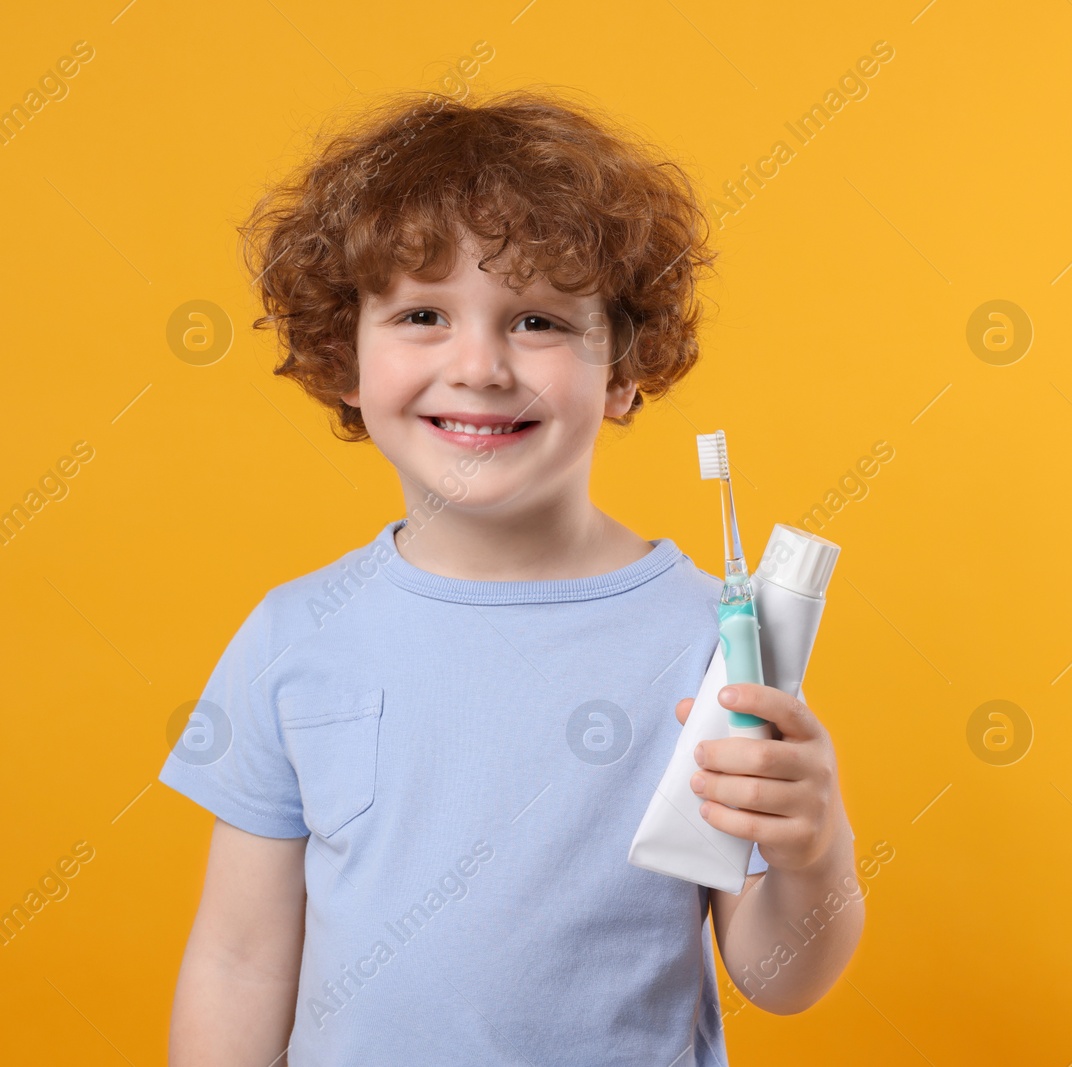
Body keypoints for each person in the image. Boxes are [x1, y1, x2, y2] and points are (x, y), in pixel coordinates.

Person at [158, 86, 862, 1066]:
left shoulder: (714, 637)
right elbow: (237, 960)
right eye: (421, 314)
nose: (481, 364)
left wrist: (810, 850)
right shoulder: (297, 633)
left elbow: (779, 977)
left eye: (534, 320)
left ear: (621, 368)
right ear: (344, 359)